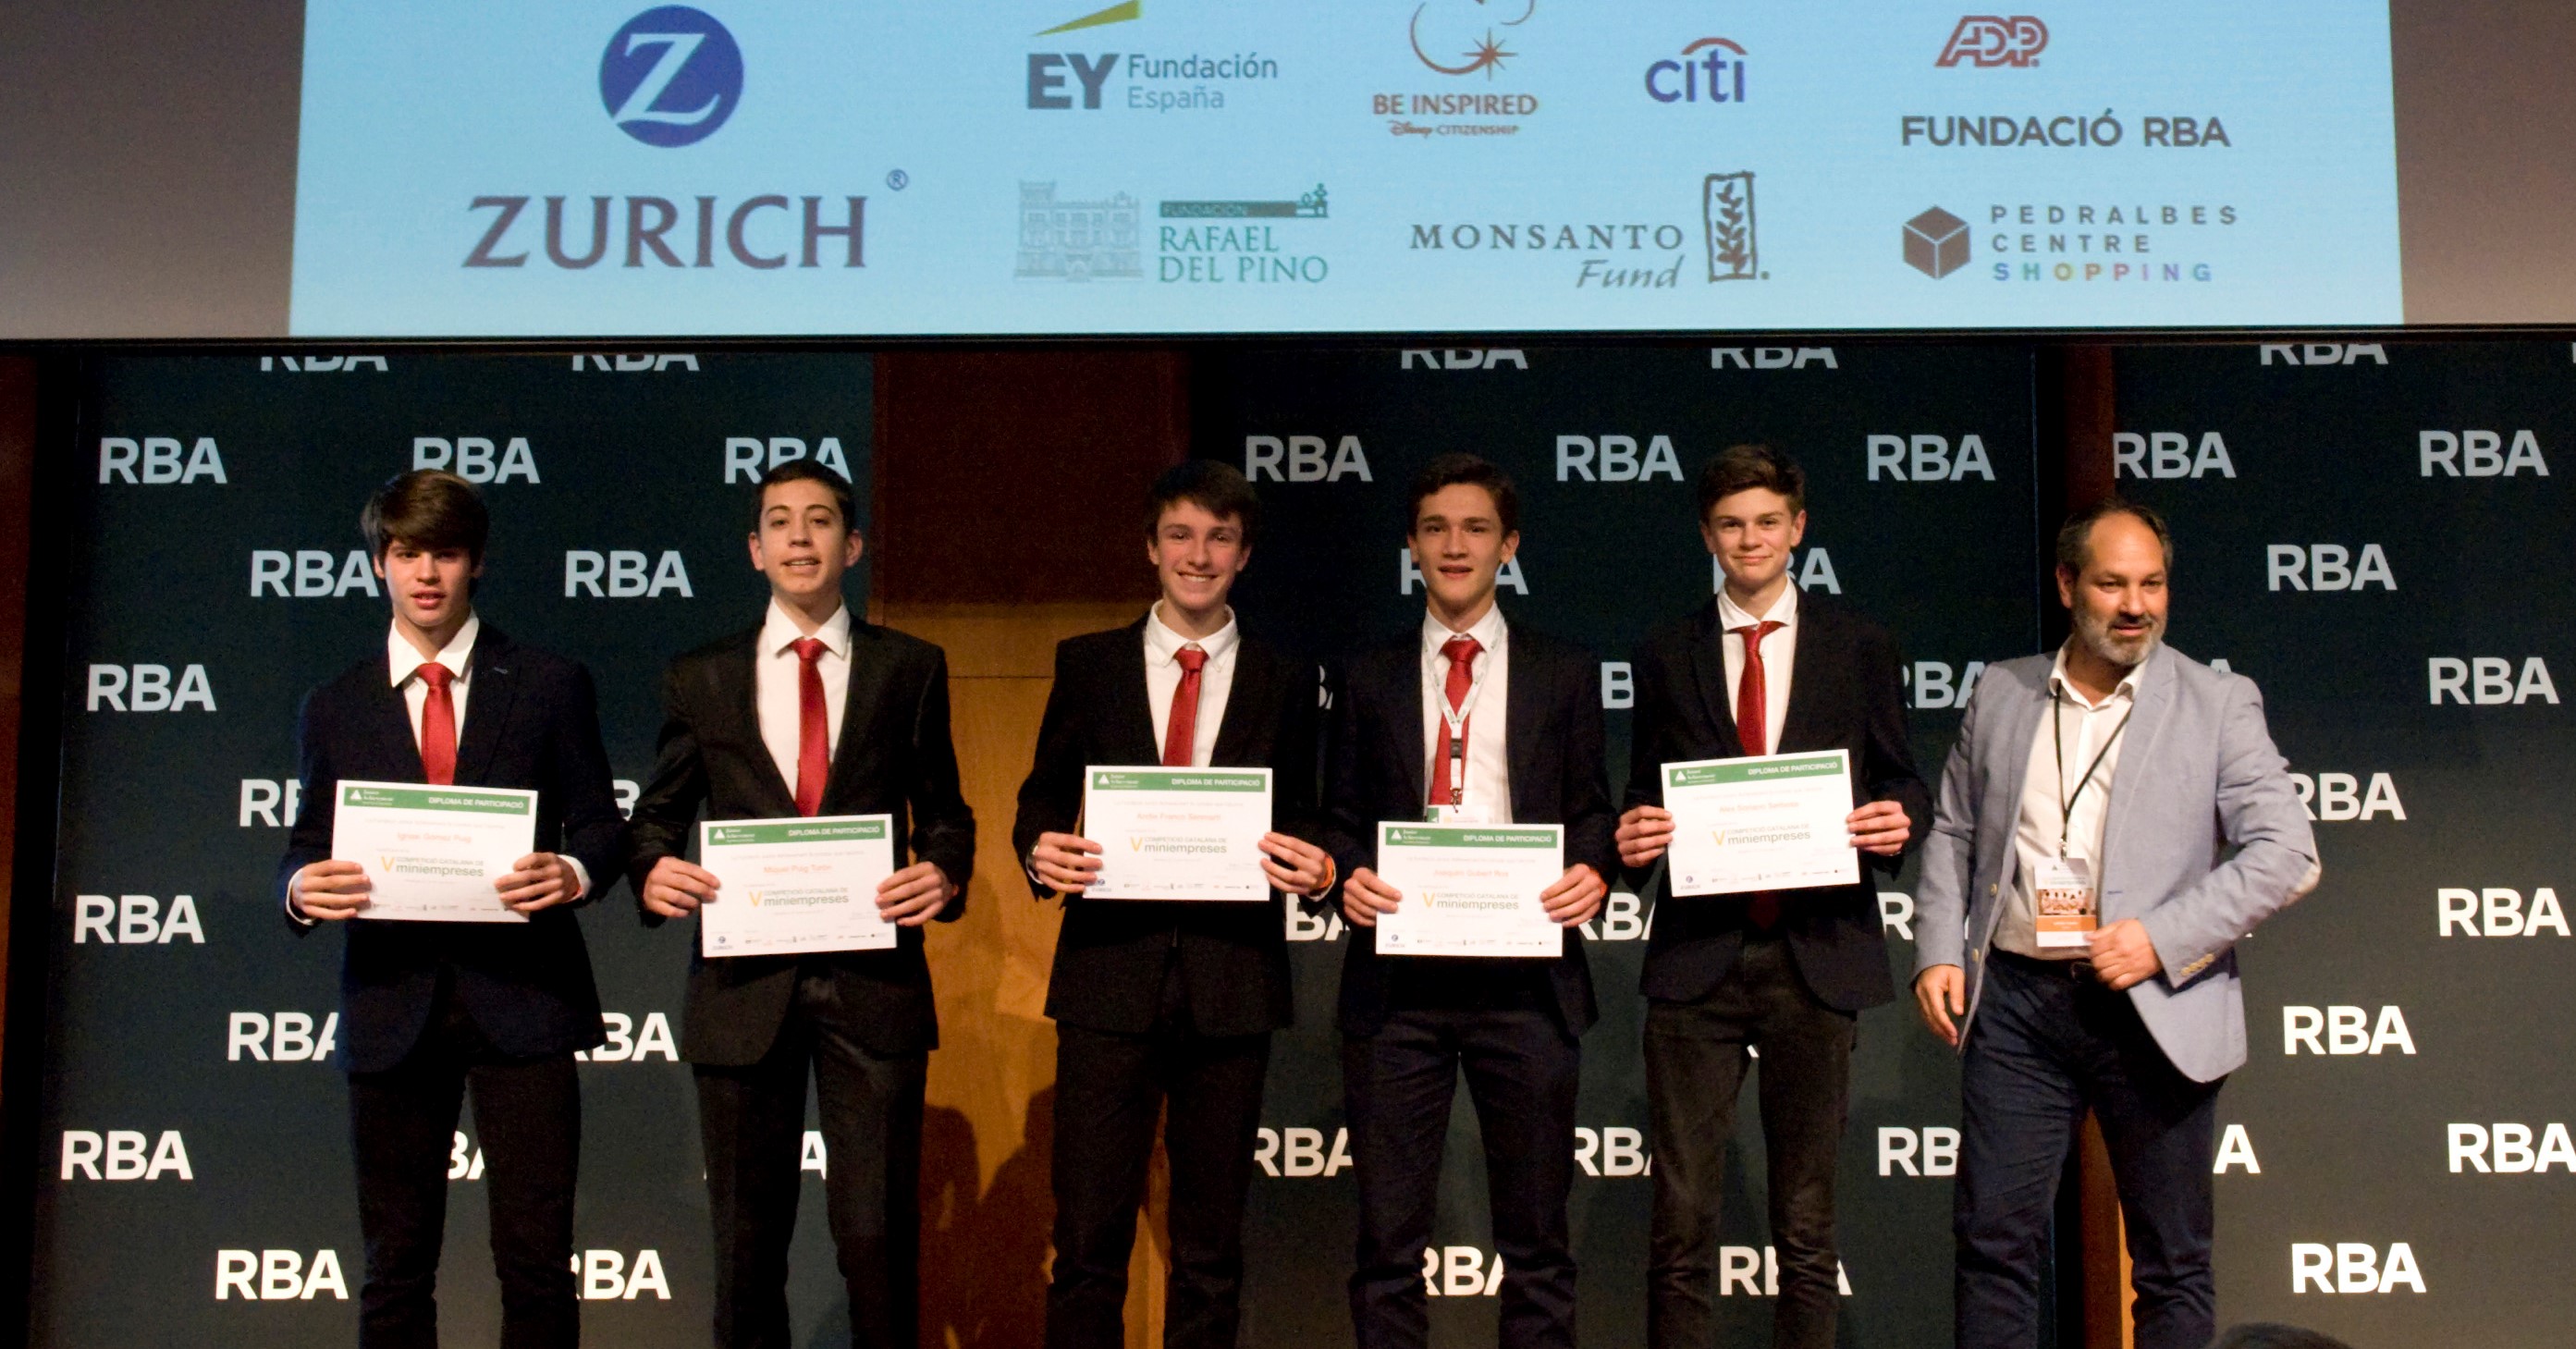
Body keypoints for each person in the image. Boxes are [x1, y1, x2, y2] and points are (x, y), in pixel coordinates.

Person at [1911, 497, 2319, 1349]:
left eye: (2152, 584)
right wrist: (1939, 947)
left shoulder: (2217, 701)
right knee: (1993, 1246)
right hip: (2017, 1003)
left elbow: (2288, 852)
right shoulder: (2002, 689)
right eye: (2112, 584)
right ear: (2068, 585)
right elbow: (1953, 829)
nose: (2136, 605)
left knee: (2171, 1262)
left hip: (2154, 1004)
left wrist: (2161, 938)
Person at [625, 459, 976, 1349]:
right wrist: (652, 868)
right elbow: (656, 815)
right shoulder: (701, 675)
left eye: (819, 520)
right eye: (779, 521)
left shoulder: (910, 667)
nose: (799, 537)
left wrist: (942, 872)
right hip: (743, 991)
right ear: (755, 549)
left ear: (852, 546)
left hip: (874, 988)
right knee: (747, 1249)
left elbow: (947, 816)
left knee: (876, 1240)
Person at [276, 469, 625, 1349]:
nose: (426, 572)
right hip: (391, 1005)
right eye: (406, 553)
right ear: (379, 564)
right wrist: (301, 887)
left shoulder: (549, 683)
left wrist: (573, 871)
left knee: (537, 1263)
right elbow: (306, 840)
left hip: (526, 1001)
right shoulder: (335, 703)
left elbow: (600, 826)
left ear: (477, 562)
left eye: (446, 552)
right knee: (395, 1266)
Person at [1013, 460, 1337, 1349]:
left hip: (1233, 982)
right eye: (1182, 535)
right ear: (1150, 547)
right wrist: (1039, 849)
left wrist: (1316, 863)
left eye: (1220, 537)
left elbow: (1306, 812)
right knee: (1087, 1243)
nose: (1200, 555)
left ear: (1245, 554)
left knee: (1210, 1249)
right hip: (1106, 980)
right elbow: (1042, 797)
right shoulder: (1088, 663)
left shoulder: (1284, 674)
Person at [1613, 445, 1929, 1349]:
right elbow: (1641, 792)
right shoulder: (1664, 649)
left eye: (1765, 522)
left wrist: (1898, 819)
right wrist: (1633, 835)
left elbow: (1902, 778)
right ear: (1705, 535)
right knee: (1679, 1222)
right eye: (1729, 524)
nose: (1748, 540)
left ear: (1797, 528)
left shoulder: (1858, 643)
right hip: (1697, 956)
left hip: (1816, 951)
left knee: (1805, 1222)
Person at [1326, 453, 1614, 1349]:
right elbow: (1337, 818)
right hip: (1396, 991)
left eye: (1476, 528)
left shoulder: (1564, 670)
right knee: (1387, 1249)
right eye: (1436, 528)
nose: (1455, 546)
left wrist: (1594, 866)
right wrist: (1345, 872)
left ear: (1508, 545)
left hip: (1526, 985)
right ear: (1411, 546)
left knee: (1537, 1248)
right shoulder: (1366, 673)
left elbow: (1592, 811)